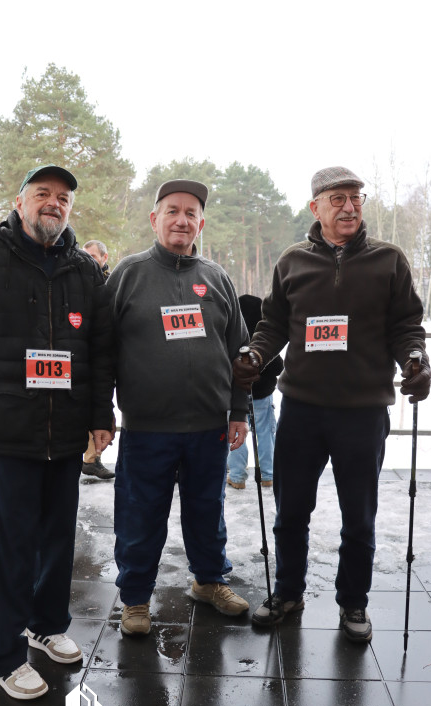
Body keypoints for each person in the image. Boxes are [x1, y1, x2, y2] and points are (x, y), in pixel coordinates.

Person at [0, 164, 114, 698]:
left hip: (65, 434)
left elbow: (101, 353)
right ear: (20, 202)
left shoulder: (85, 270)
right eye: (43, 194)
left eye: (63, 198)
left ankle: (45, 624)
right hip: (6, 432)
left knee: (58, 539)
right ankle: (3, 652)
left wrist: (101, 416)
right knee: (10, 546)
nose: (53, 204)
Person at [233, 166, 431, 643]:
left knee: (358, 517)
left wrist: (416, 359)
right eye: (338, 198)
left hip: (363, 412)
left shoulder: (389, 261)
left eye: (356, 198)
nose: (349, 206)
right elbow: (273, 324)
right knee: (289, 512)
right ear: (316, 207)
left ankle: (353, 602)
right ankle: (287, 592)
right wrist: (257, 354)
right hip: (302, 409)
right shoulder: (292, 262)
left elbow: (407, 324)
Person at [107, 179, 250, 635]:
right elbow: (100, 349)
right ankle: (135, 600)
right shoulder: (128, 275)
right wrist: (98, 412)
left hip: (209, 427)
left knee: (207, 512)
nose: (181, 220)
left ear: (200, 224)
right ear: (155, 218)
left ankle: (208, 581)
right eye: (172, 211)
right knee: (140, 517)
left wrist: (239, 411)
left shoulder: (217, 277)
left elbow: (239, 351)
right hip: (147, 428)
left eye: (190, 213)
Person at [227, 294, 283, 490]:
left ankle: (237, 476)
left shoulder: (233, 339)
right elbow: (278, 367)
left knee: (236, 434)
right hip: (262, 396)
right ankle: (268, 474)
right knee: (266, 433)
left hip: (235, 397)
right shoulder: (264, 341)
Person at [81, 238, 115, 479]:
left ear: (104, 258)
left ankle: (94, 456)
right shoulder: (78, 281)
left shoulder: (112, 283)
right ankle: (90, 458)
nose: (88, 262)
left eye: (92, 257)